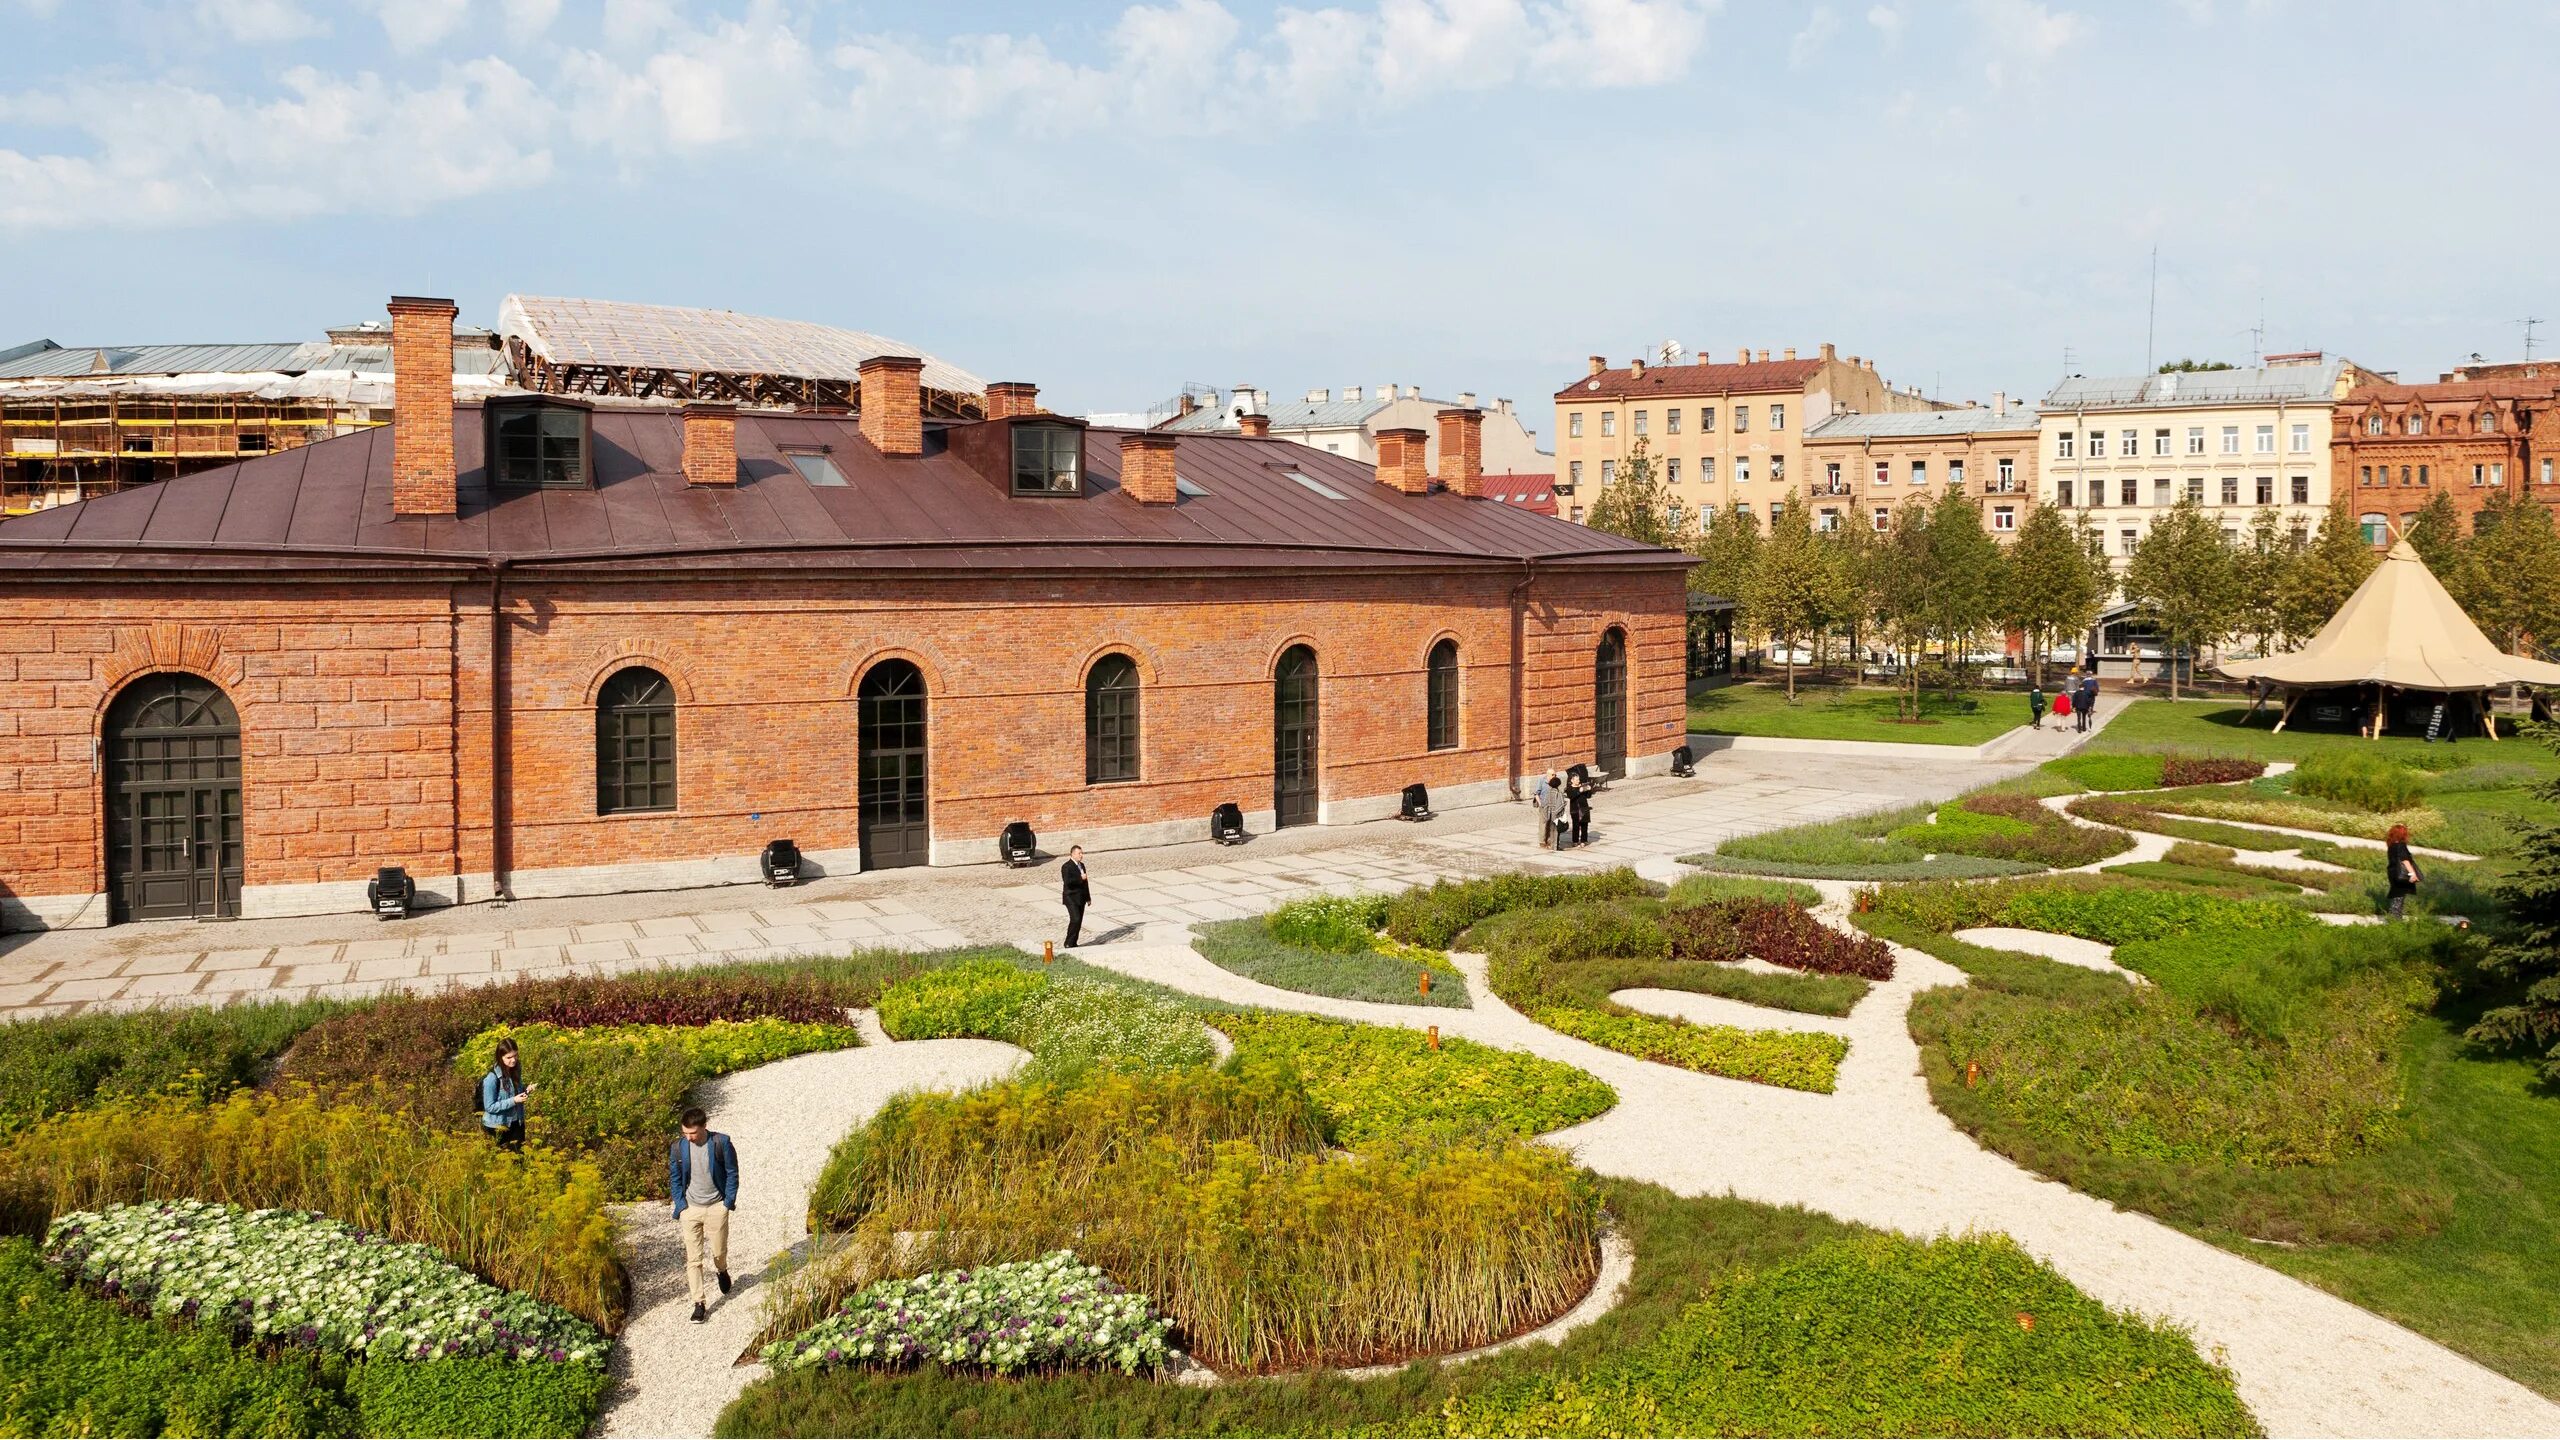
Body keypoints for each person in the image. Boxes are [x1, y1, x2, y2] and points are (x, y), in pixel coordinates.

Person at [669, 1106, 739, 1324]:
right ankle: (699, 1303)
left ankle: (722, 1270)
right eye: (685, 1133)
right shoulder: (678, 1148)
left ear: (704, 1127)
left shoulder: (721, 1143)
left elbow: (732, 1172)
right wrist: (681, 1205)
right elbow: (675, 1178)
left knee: (718, 1251)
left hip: (716, 1206)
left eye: (693, 1133)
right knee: (693, 1259)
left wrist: (728, 1202)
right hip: (691, 1210)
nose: (688, 1138)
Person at [480, 1037, 533, 1151]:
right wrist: (514, 1101)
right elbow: (489, 1107)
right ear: (500, 1057)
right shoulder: (491, 1078)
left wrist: (526, 1089)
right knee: (503, 1162)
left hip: (517, 1121)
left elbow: (514, 1091)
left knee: (519, 1159)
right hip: (497, 1126)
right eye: (509, 1057)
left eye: (515, 1055)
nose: (513, 1060)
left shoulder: (516, 1068)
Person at [2385, 823, 2422, 919]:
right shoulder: (2401, 846)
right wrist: (2412, 874)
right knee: (2399, 897)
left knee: (2396, 896)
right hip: (2401, 874)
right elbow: (2405, 860)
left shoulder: (2391, 846)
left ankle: (2394, 918)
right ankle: (2395, 920)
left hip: (2393, 873)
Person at [1060, 845, 1091, 948]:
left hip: (1081, 898)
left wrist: (1088, 897)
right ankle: (1068, 942)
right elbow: (1068, 882)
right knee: (1075, 919)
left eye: (1082, 853)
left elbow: (1085, 883)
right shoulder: (1066, 866)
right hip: (1071, 897)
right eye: (1079, 853)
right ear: (1072, 854)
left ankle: (1074, 942)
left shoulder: (1082, 865)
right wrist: (1080, 878)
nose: (1081, 855)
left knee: (1079, 920)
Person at [1536, 769, 1566, 849]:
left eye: (1555, 775)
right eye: (1553, 775)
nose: (1554, 776)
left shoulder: (1554, 784)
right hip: (1544, 806)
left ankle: (1550, 841)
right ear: (1548, 775)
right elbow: (1536, 794)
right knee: (1543, 824)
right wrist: (1541, 804)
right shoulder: (1541, 781)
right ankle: (1542, 842)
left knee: (1551, 825)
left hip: (1552, 808)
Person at [1567, 769, 1593, 848]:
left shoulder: (1581, 786)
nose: (1578, 781)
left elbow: (1588, 796)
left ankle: (1583, 840)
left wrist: (1589, 790)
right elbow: (1571, 796)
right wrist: (1579, 791)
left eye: (1578, 779)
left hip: (1584, 808)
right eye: (1576, 779)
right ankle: (1575, 841)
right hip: (1575, 810)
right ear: (1572, 780)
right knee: (1576, 826)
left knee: (1584, 825)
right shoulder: (1569, 788)